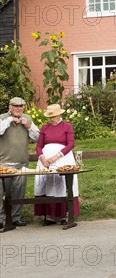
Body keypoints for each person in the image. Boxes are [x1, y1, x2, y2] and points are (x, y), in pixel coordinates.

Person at [34, 104, 79, 225]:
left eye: (53, 116)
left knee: (63, 184)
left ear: (59, 114)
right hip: (46, 161)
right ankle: (50, 215)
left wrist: (56, 156)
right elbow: (39, 146)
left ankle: (64, 215)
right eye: (50, 116)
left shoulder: (67, 126)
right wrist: (42, 158)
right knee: (48, 183)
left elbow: (71, 144)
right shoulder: (45, 128)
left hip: (62, 158)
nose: (52, 118)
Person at [0, 97, 40, 227]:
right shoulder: (2, 118)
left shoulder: (27, 119)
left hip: (21, 163)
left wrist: (28, 126)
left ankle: (15, 217)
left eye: (21, 106)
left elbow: (38, 138)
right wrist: (10, 120)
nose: (18, 108)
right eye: (15, 106)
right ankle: (1, 219)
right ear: (10, 107)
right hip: (3, 164)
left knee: (18, 192)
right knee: (0, 193)